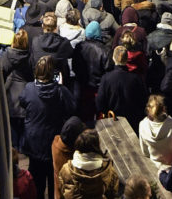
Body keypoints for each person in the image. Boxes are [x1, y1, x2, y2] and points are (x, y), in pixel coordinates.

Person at [19, 56, 75, 199]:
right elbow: (72, 108)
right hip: (53, 142)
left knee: (36, 180)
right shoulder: (61, 91)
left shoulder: (29, 88)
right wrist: (61, 86)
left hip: (34, 141)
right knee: (54, 180)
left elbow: (22, 101)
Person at [57, 128, 120, 198]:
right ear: (96, 147)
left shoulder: (66, 170)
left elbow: (61, 192)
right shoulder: (109, 171)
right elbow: (114, 195)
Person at [138, 94, 172, 171]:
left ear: (148, 109)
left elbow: (145, 152)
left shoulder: (142, 125)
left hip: (156, 166)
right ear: (164, 109)